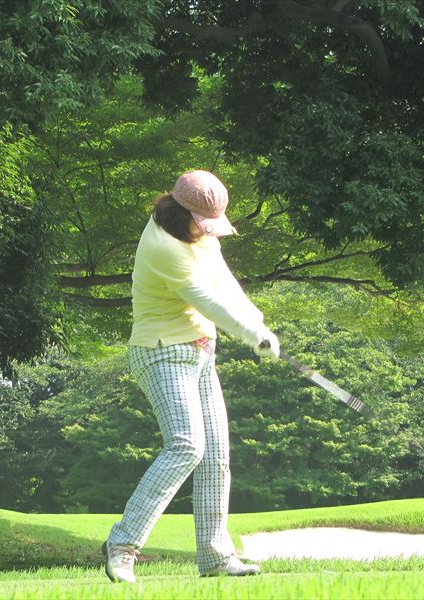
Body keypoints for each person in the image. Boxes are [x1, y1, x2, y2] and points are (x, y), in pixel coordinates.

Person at [101, 170, 280, 583]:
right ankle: (122, 545)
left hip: (200, 352)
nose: (208, 229)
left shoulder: (200, 235)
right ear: (182, 213)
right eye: (203, 222)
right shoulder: (164, 246)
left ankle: (216, 556)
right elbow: (206, 300)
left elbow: (224, 282)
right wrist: (252, 335)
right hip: (160, 352)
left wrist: (260, 325)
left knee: (216, 455)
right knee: (186, 445)